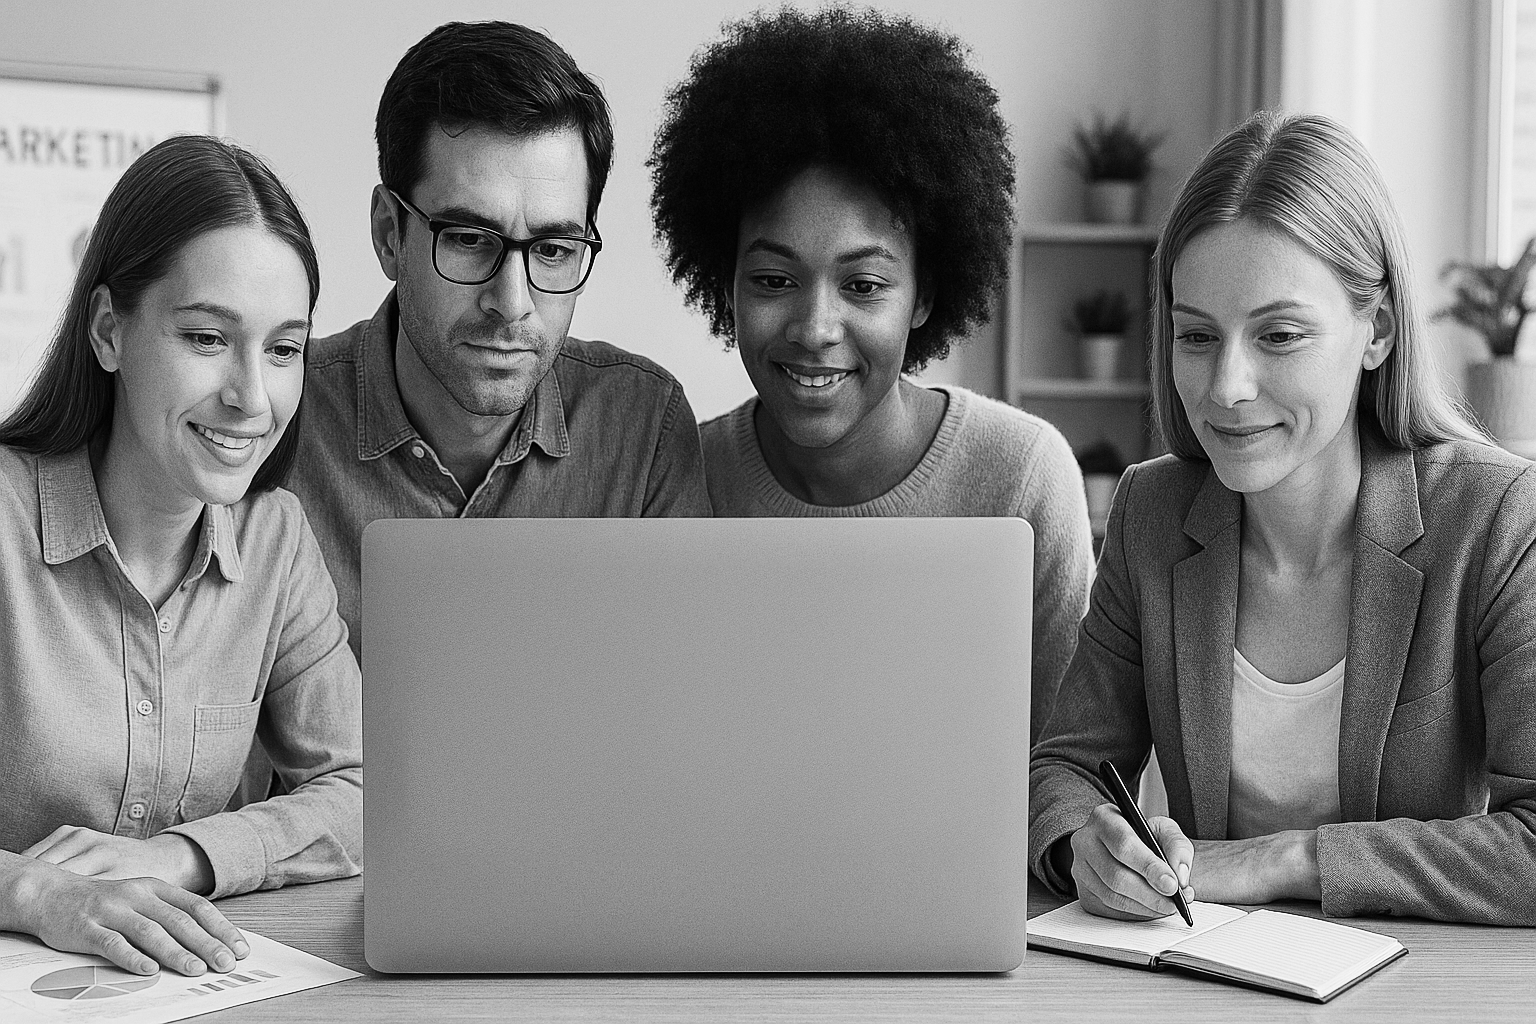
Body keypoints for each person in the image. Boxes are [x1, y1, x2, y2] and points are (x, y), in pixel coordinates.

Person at [1029, 111, 1536, 925]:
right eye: (1197, 336)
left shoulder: (1496, 517)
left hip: (1417, 990)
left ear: (1377, 331)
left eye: (1280, 334)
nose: (1226, 386)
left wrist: (1291, 858)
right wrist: (1082, 844)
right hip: (1201, 977)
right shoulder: (1151, 513)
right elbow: (1065, 767)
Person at [647, 7, 1095, 742]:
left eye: (863, 286)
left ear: (924, 295)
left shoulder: (1021, 477)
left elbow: (1065, 780)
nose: (816, 328)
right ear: (724, 283)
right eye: (772, 280)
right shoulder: (679, 476)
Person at [0, 136, 362, 975]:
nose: (251, 397)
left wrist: (182, 856)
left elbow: (363, 793)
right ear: (108, 331)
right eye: (207, 338)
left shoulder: (275, 542)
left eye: (282, 350)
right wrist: (37, 892)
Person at [289, 21, 711, 659]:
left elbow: (683, 706)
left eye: (553, 249)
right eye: (466, 239)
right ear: (387, 234)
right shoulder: (279, 422)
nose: (512, 304)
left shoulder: (642, 426)